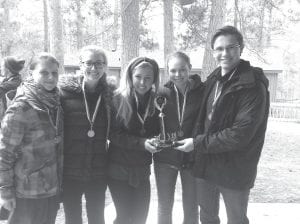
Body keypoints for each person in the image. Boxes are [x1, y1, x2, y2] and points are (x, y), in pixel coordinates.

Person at [175, 26, 270, 224]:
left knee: (236, 219)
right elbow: (202, 116)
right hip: (206, 164)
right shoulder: (214, 79)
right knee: (208, 217)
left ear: (241, 48)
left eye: (230, 47)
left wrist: (197, 143)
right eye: (219, 49)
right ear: (213, 52)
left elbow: (239, 135)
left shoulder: (253, 86)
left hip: (235, 167)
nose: (224, 53)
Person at [0, 52, 63, 224]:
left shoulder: (56, 102)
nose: (50, 77)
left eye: (54, 73)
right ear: (31, 74)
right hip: (27, 193)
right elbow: (4, 154)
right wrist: (5, 192)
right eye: (44, 72)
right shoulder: (21, 108)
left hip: (51, 190)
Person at [59, 45, 114, 224]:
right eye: (89, 63)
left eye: (99, 63)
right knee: (72, 217)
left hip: (98, 169)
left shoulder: (110, 95)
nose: (94, 68)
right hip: (70, 168)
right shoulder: (63, 93)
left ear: (105, 66)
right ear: (80, 65)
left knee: (97, 217)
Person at [153, 51, 204, 224]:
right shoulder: (160, 93)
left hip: (192, 157)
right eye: (173, 70)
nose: (178, 74)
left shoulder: (202, 91)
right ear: (167, 71)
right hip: (165, 157)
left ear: (190, 68)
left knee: (191, 206)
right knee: (164, 205)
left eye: (182, 69)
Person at [108, 57, 160, 224]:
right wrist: (142, 143)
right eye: (138, 77)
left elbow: (157, 130)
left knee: (139, 218)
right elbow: (113, 134)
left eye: (148, 78)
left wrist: (157, 140)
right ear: (130, 76)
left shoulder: (157, 100)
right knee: (123, 218)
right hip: (118, 169)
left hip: (142, 169)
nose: (143, 83)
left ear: (154, 79)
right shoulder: (117, 99)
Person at [0, 56, 24, 121]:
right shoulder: (15, 79)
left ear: (8, 69)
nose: (1, 68)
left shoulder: (12, 84)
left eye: (2, 66)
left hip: (10, 122)